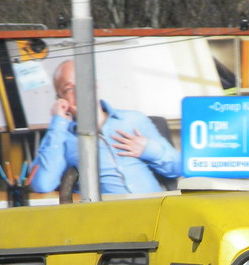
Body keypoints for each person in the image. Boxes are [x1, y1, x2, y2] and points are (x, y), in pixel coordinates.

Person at [31, 60, 182, 196]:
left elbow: (178, 167)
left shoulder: (133, 120)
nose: (79, 91)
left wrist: (149, 149)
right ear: (60, 99)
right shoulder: (63, 136)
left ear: (95, 85)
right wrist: (58, 122)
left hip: (155, 211)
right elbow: (42, 184)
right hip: (107, 218)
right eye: (69, 88)